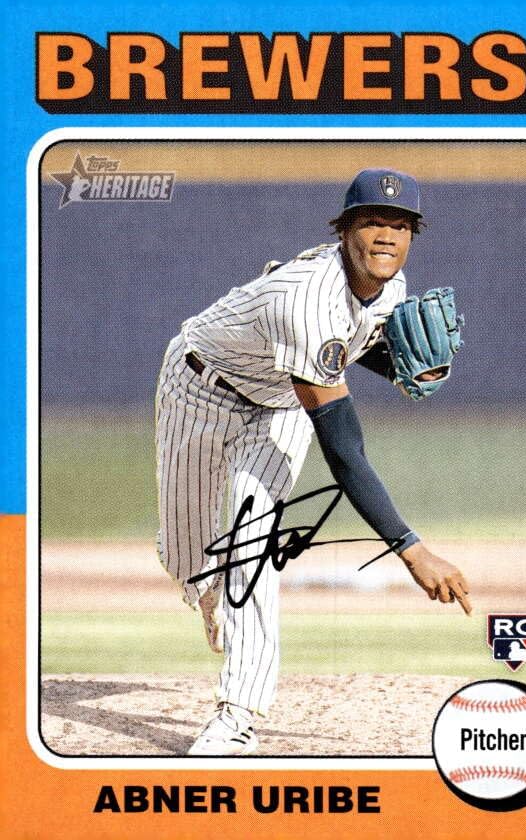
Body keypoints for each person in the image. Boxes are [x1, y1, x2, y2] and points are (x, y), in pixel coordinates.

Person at [155, 167, 471, 756]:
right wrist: (412, 548)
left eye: (401, 225)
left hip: (279, 405)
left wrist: (401, 367)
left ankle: (237, 715)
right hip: (198, 386)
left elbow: (349, 341)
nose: (387, 235)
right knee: (188, 558)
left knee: (252, 543)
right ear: (344, 229)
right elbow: (345, 452)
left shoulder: (392, 288)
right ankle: (202, 583)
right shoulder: (306, 299)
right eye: (373, 221)